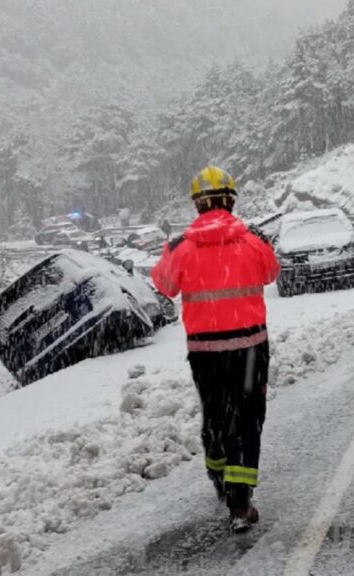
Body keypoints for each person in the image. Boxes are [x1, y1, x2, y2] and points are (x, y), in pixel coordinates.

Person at [151, 166, 280, 533]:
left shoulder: (181, 247)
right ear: (231, 200)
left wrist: (173, 254)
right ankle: (240, 502)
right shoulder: (252, 239)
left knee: (216, 413)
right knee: (248, 416)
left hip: (205, 351)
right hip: (250, 346)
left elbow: (164, 284)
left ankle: (217, 469)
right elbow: (271, 272)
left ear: (197, 204)